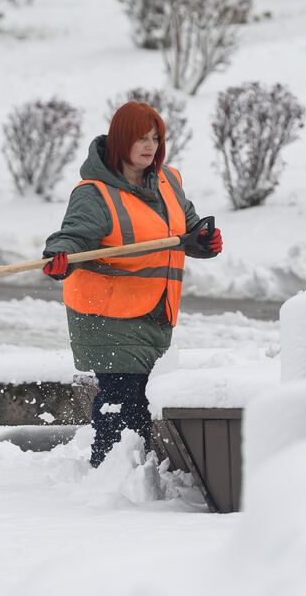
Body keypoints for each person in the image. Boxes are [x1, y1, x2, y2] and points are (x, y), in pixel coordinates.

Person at [42, 101, 222, 467]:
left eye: (156, 138)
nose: (150, 145)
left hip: (155, 312)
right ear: (121, 140)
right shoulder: (94, 192)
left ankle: (129, 475)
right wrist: (59, 255)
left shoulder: (168, 181)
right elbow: (72, 236)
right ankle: (110, 474)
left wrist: (204, 240)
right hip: (108, 316)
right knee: (123, 399)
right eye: (141, 138)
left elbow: (186, 230)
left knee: (140, 401)